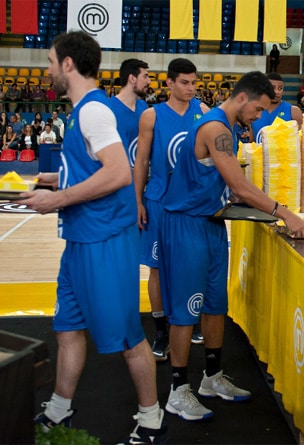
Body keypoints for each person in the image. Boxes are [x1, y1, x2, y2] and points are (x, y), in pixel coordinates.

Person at [19, 30, 167, 444]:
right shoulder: (83, 110)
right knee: (67, 327)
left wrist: (59, 198)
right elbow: (93, 166)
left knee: (127, 337)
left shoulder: (92, 111)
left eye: (51, 62)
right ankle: (60, 409)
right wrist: (53, 180)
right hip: (82, 241)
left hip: (105, 241)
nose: (46, 70)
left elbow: (118, 172)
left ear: (68, 64)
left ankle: (153, 420)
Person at [158, 71, 304, 421]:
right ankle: (178, 390)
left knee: (215, 305)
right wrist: (283, 212)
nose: (258, 116)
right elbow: (239, 187)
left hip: (211, 223)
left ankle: (211, 378)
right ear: (243, 98)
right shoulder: (214, 128)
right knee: (185, 312)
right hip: (185, 225)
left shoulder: (226, 128)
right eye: (257, 109)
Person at [135, 58, 210, 363]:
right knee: (157, 268)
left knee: (192, 263)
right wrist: (137, 200)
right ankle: (162, 329)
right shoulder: (152, 116)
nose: (191, 88)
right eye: (184, 82)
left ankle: (187, 319)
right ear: (169, 83)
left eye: (194, 82)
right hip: (159, 200)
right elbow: (141, 162)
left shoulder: (203, 112)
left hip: (192, 204)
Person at [108, 59, 150, 168]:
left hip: (139, 176)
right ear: (132, 78)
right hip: (117, 177)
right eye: (145, 76)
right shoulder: (108, 109)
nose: (149, 81)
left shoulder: (143, 107)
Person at [251, 72, 303, 144]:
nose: (277, 92)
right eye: (273, 88)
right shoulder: (253, 111)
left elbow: (301, 142)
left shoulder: (294, 111)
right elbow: (250, 143)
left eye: (280, 88)